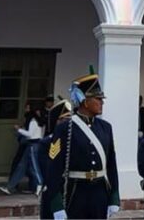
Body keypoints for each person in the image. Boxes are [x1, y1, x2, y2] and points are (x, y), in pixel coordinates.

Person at [44, 71, 120, 219]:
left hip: (100, 191)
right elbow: (54, 167)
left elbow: (111, 163)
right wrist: (56, 204)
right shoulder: (65, 127)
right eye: (98, 99)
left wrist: (114, 196)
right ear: (85, 101)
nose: (102, 102)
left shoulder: (106, 127)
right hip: (75, 191)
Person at [0, 102, 44, 195]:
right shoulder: (34, 120)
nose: (25, 110)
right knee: (21, 167)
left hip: (33, 145)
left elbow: (30, 134)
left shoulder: (33, 121)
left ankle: (41, 185)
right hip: (31, 145)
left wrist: (18, 129)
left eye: (27, 108)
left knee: (35, 167)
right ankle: (10, 187)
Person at [39, 97, 72, 220]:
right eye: (66, 119)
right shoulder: (47, 143)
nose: (69, 123)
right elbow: (48, 172)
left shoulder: (73, 141)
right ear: (57, 121)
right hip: (54, 193)